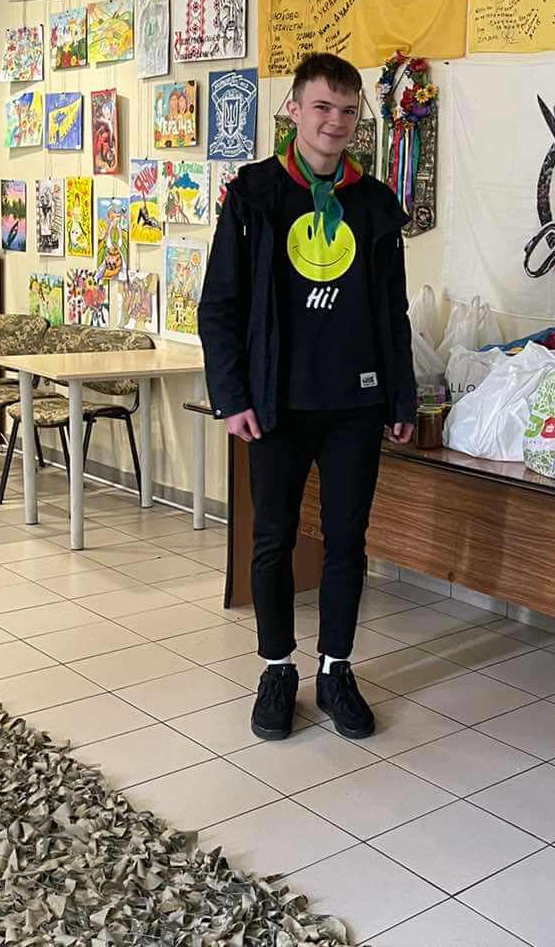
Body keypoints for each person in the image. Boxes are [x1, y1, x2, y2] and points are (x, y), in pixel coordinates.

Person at [198, 51, 417, 744]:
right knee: (273, 538)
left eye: (348, 111)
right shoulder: (254, 196)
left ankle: (336, 670)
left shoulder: (374, 204)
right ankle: (276, 670)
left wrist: (402, 398)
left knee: (348, 540)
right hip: (276, 405)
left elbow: (393, 312)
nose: (335, 122)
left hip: (355, 403)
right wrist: (231, 395)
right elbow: (219, 306)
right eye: (322, 107)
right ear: (293, 109)